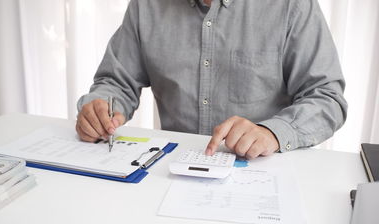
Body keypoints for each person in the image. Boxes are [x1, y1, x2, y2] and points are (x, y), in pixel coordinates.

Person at [76, 0, 347, 159]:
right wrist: (101, 107)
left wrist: (273, 132)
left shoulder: (291, 5)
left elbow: (326, 97)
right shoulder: (146, 6)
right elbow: (117, 82)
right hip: (172, 170)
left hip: (262, 170)